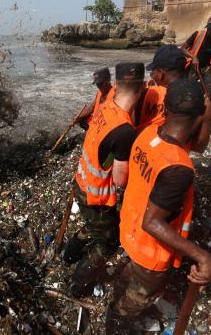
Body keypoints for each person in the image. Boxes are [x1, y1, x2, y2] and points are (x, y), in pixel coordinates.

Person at [105, 79, 211, 332]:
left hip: (129, 232)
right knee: (134, 303)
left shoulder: (146, 135)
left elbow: (196, 143)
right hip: (150, 252)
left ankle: (116, 306)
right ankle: (116, 323)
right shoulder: (179, 168)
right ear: (199, 112)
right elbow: (153, 222)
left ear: (165, 109)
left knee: (126, 280)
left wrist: (204, 116)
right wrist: (202, 255)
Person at [64, 62, 145, 298]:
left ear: (116, 86)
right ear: (141, 90)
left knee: (93, 227)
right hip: (96, 196)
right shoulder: (125, 131)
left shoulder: (105, 109)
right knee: (107, 245)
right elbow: (120, 180)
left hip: (81, 182)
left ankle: (69, 254)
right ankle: (77, 285)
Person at [135, 45, 211, 153]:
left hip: (140, 156)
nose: (152, 76)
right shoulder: (203, 102)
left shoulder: (146, 92)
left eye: (153, 72)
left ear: (161, 73)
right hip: (174, 160)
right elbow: (199, 146)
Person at [182, 14, 211, 128]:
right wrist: (193, 57)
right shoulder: (198, 34)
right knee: (188, 90)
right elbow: (182, 48)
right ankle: (187, 115)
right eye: (209, 27)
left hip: (207, 67)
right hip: (193, 66)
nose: (210, 31)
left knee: (210, 92)